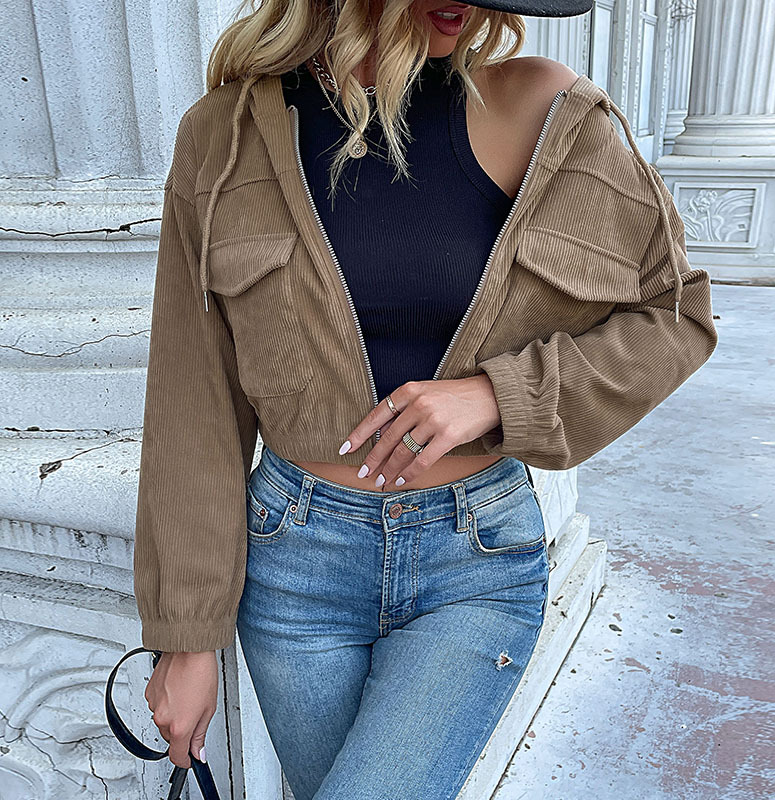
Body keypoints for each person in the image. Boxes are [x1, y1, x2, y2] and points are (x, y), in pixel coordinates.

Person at [134, 0, 718, 796]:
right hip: (295, 568)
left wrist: (496, 396)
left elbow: (676, 315)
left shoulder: (539, 110)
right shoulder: (224, 136)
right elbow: (192, 395)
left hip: (472, 560)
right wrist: (186, 636)